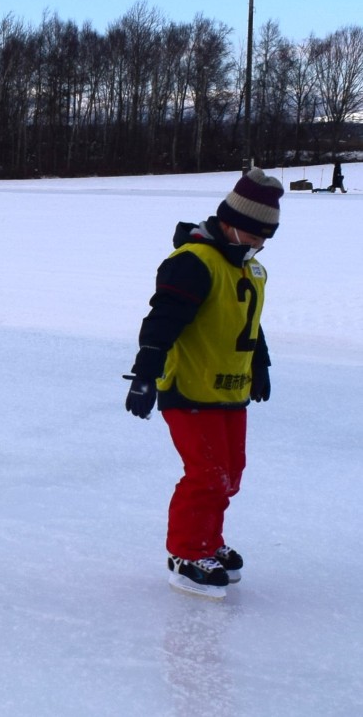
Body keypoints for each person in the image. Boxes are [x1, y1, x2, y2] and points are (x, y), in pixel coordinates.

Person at [123, 167, 283, 597]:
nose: (260, 243)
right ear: (230, 223)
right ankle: (186, 553)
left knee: (230, 474)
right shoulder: (194, 263)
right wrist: (145, 374)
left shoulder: (249, 267)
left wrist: (260, 364)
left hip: (229, 388)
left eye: (267, 236)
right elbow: (163, 321)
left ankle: (208, 542)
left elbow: (247, 321)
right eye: (254, 234)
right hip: (189, 388)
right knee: (206, 474)